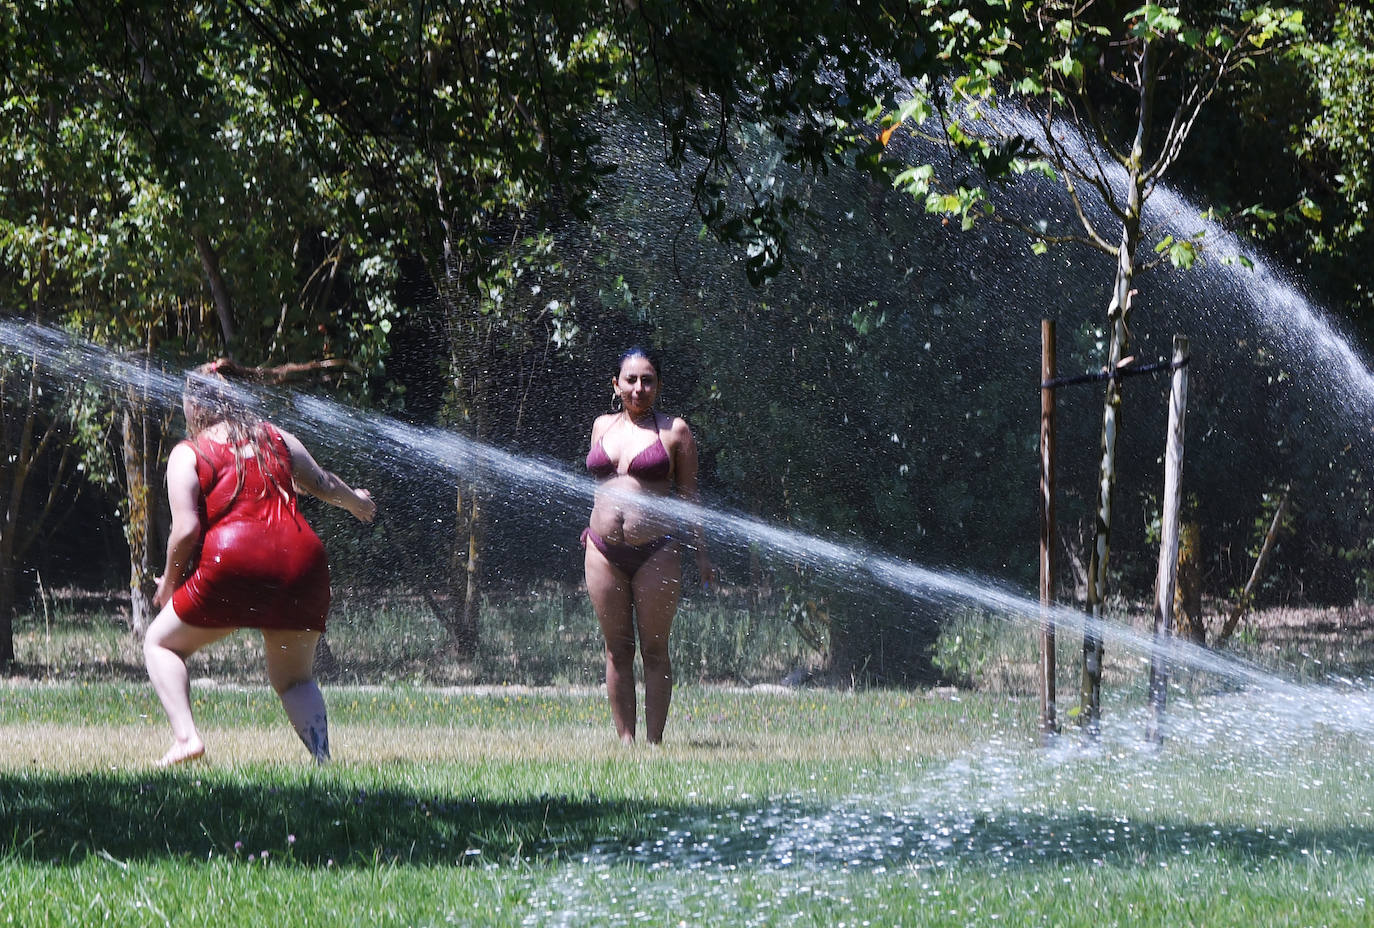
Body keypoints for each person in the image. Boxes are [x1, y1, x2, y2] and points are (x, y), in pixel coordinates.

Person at [143, 359, 376, 767]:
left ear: (196, 407)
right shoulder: (277, 438)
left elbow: (185, 531)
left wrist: (168, 584)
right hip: (301, 563)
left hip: (233, 564)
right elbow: (322, 483)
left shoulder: (189, 453)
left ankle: (186, 739)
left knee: (160, 643)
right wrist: (357, 502)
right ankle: (323, 760)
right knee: (294, 679)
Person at [582, 346, 715, 744]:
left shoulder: (675, 430)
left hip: (656, 549)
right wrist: (593, 524)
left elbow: (690, 497)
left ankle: (654, 743)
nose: (639, 388)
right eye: (631, 380)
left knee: (655, 650)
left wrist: (702, 554)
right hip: (602, 551)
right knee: (615, 650)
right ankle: (626, 743)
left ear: (657, 384)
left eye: (648, 380)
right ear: (616, 384)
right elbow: (599, 487)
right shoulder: (601, 426)